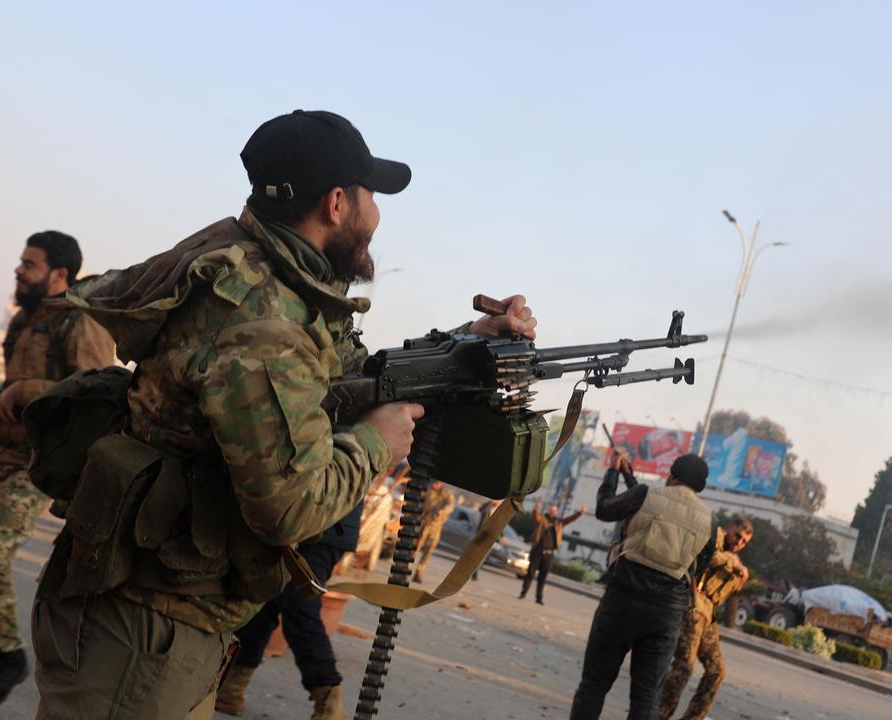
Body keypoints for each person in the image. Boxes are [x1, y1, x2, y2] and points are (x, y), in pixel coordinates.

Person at [29, 109, 539, 719]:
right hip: (145, 632)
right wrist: (377, 444)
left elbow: (347, 376)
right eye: (370, 194)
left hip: (159, 614)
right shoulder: (263, 320)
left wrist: (471, 341)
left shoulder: (254, 266)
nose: (377, 214)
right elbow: (289, 508)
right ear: (336, 205)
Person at [0, 232, 116, 711]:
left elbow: (99, 393)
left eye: (28, 264)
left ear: (59, 274)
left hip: (39, 465)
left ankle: (9, 657)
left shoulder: (81, 322)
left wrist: (29, 388)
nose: (18, 270)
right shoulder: (26, 320)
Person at [570, 451, 716, 720]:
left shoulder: (647, 494)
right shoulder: (710, 522)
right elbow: (700, 566)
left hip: (622, 601)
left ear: (671, 476)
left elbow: (606, 508)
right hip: (666, 615)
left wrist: (613, 472)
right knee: (646, 696)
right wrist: (629, 475)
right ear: (700, 487)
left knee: (594, 684)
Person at [215, 503, 362, 719]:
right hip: (303, 520)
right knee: (265, 600)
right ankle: (230, 691)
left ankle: (330, 706)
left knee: (300, 609)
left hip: (324, 525)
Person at [658, 517, 753, 720]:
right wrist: (732, 562)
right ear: (729, 528)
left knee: (717, 671)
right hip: (692, 606)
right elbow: (707, 556)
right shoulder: (711, 537)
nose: (739, 543)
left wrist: (739, 576)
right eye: (738, 536)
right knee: (684, 666)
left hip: (708, 615)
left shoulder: (733, 559)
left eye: (744, 542)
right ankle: (660, 716)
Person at [519, 499, 585, 604]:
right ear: (548, 510)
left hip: (549, 553)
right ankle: (523, 593)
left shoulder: (559, 522)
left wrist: (580, 513)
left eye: (554, 510)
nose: (552, 512)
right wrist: (537, 508)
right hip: (537, 551)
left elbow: (570, 519)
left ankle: (539, 598)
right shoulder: (542, 519)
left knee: (543, 576)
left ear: (556, 512)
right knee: (530, 573)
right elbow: (536, 518)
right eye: (551, 510)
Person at [414, 480, 456, 584]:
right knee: (415, 546)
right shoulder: (426, 489)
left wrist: (442, 511)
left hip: (435, 525)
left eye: (437, 483)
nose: (435, 485)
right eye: (434, 483)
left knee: (429, 548)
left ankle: (419, 571)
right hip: (422, 522)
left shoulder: (446, 493)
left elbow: (450, 506)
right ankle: (406, 567)